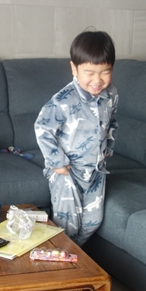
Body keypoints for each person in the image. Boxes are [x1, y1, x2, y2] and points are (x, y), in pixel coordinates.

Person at [34, 30, 118, 246]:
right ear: (74, 68)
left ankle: (71, 256)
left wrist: (108, 147)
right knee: (67, 226)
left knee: (93, 222)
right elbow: (42, 128)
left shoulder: (111, 95)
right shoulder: (63, 100)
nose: (97, 80)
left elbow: (111, 122)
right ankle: (65, 258)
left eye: (105, 72)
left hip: (96, 171)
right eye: (89, 73)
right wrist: (57, 162)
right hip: (67, 173)